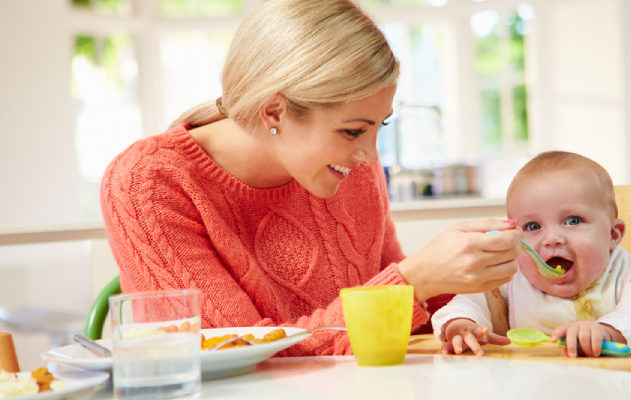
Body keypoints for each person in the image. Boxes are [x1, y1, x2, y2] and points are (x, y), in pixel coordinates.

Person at [100, 0, 521, 356]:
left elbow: (400, 322)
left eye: (380, 127)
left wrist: (461, 307)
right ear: (274, 112)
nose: (369, 156)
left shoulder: (350, 168)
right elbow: (236, 354)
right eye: (353, 130)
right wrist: (413, 282)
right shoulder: (148, 183)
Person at [432, 151, 631, 357]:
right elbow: (467, 303)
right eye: (532, 226)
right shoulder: (510, 278)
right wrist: (461, 326)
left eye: (573, 221)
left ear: (613, 234)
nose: (552, 238)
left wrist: (607, 331)